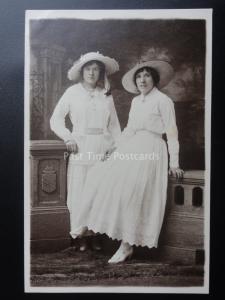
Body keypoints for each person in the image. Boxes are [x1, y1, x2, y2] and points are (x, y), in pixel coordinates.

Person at [70, 60, 184, 262]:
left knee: (133, 190)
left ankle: (126, 246)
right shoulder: (136, 101)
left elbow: (172, 132)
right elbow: (129, 129)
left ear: (154, 79)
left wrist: (174, 162)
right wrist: (113, 149)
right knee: (101, 174)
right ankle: (87, 224)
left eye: (147, 75)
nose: (142, 80)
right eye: (139, 76)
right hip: (132, 146)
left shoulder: (163, 101)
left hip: (151, 149)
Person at [50, 52, 121, 251]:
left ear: (100, 72)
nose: (92, 73)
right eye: (88, 69)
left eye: (96, 69)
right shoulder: (72, 92)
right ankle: (79, 236)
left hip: (102, 148)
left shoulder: (106, 95)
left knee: (99, 191)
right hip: (81, 146)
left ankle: (95, 234)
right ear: (82, 72)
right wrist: (68, 137)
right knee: (80, 191)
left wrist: (115, 147)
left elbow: (114, 125)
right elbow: (55, 120)